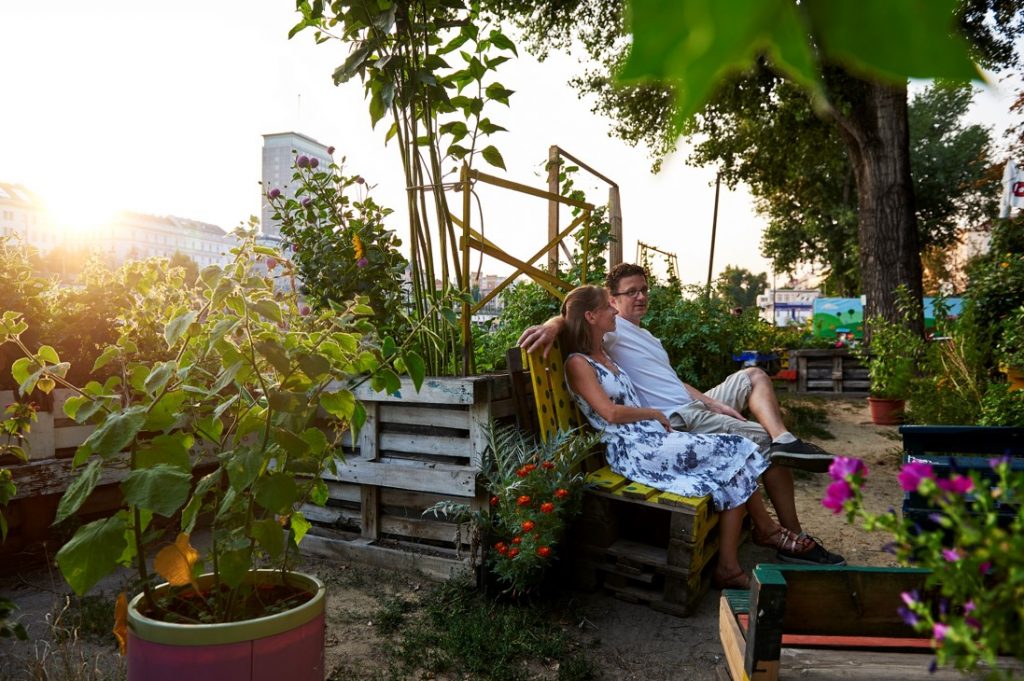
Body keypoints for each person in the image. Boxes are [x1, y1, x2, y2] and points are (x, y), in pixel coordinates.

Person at [520, 263, 844, 565]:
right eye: (631, 292)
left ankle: (785, 439)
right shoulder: (612, 333)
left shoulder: (645, 337)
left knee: (754, 375)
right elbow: (574, 316)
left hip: (690, 406)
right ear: (612, 300)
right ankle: (789, 535)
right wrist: (551, 325)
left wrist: (712, 402)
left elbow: (672, 381)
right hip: (672, 420)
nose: (641, 296)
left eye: (644, 289)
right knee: (762, 448)